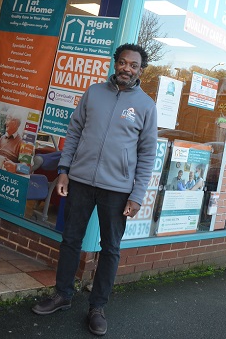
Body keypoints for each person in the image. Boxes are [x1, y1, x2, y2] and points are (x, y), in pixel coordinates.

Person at [32, 43, 157, 336]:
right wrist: (63, 172)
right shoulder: (93, 93)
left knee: (110, 249)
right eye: (123, 62)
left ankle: (97, 307)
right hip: (81, 181)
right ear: (116, 64)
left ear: (141, 71)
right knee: (70, 240)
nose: (127, 68)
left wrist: (137, 195)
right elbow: (74, 132)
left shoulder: (145, 106)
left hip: (118, 190)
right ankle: (62, 295)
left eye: (134, 65)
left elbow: (148, 153)